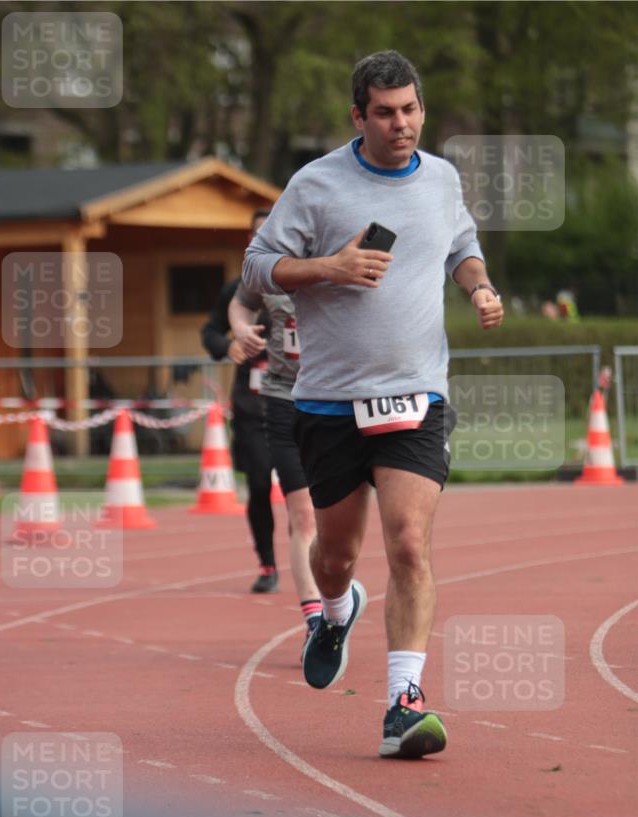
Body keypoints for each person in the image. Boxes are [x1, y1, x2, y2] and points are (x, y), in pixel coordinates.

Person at [243, 50, 504, 759]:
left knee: (409, 545)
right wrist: (328, 266)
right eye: (384, 113)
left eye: (410, 109)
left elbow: (461, 245)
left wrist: (477, 286)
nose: (401, 124)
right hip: (328, 402)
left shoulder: (442, 179)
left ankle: (402, 704)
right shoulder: (317, 184)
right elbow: (258, 265)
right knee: (335, 556)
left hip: (417, 395)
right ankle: (334, 610)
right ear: (357, 116)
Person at [228, 280, 323, 648]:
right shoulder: (270, 263)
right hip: (282, 399)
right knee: (304, 516)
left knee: (339, 523)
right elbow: (239, 301)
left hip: (335, 398)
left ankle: (335, 602)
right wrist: (240, 329)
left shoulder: (345, 257)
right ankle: (315, 621)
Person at [202, 208, 278, 594]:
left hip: (301, 403)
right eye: (256, 234)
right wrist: (228, 345)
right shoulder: (237, 291)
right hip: (252, 408)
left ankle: (314, 556)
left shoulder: (303, 286)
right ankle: (267, 563)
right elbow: (209, 331)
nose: (262, 240)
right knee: (260, 485)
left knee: (310, 492)